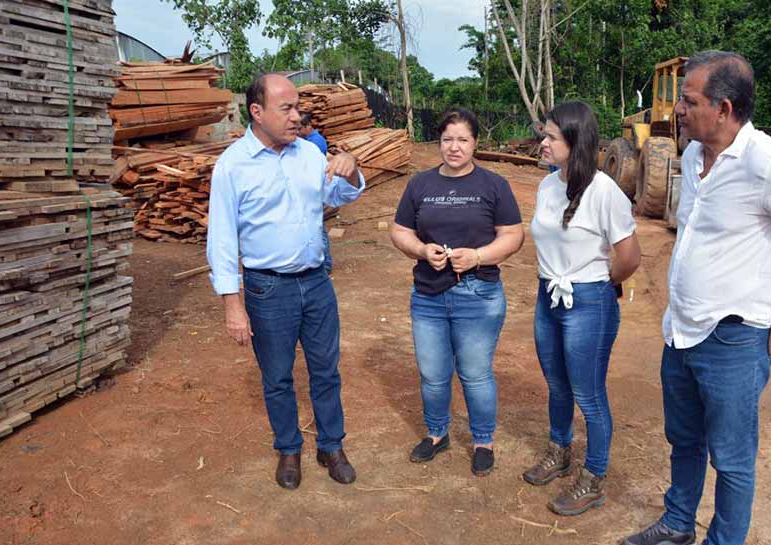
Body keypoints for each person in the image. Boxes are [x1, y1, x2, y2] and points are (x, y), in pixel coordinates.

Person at [622, 51, 771, 545]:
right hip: (681, 331)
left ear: (724, 109)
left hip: (734, 341)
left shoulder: (770, 165)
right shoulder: (692, 154)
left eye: (689, 100)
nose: (679, 109)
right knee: (683, 441)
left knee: (731, 458)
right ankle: (679, 524)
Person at [206, 73, 366, 490]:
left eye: (299, 108)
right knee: (277, 375)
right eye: (287, 109)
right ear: (256, 113)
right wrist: (232, 304)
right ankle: (289, 449)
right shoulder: (232, 166)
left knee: (326, 371)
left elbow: (338, 196)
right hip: (267, 289)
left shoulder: (309, 155)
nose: (298, 117)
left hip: (316, 283)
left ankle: (331, 445)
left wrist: (350, 173)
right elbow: (221, 239)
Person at [390, 108, 524, 476]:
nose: (454, 147)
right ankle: (437, 434)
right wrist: (421, 250)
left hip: (478, 295)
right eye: (448, 139)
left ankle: (483, 440)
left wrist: (478, 256)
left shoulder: (494, 185)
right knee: (433, 374)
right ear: (439, 142)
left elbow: (513, 235)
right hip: (429, 295)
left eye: (462, 139)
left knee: (475, 373)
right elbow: (400, 230)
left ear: (475, 143)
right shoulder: (420, 184)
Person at [522, 101, 641, 516]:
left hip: (588, 301)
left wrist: (604, 284)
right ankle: (560, 450)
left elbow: (629, 255)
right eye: (545, 134)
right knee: (556, 385)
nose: (544, 142)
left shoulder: (604, 191)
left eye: (552, 136)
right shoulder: (547, 185)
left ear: (576, 142)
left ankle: (593, 476)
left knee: (588, 395)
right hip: (548, 296)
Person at [299, 112, 333, 274]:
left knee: (319, 228)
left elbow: (314, 170)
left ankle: (326, 263)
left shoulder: (315, 144)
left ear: (307, 127)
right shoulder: (309, 141)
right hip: (311, 190)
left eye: (300, 128)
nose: (297, 132)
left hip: (315, 190)